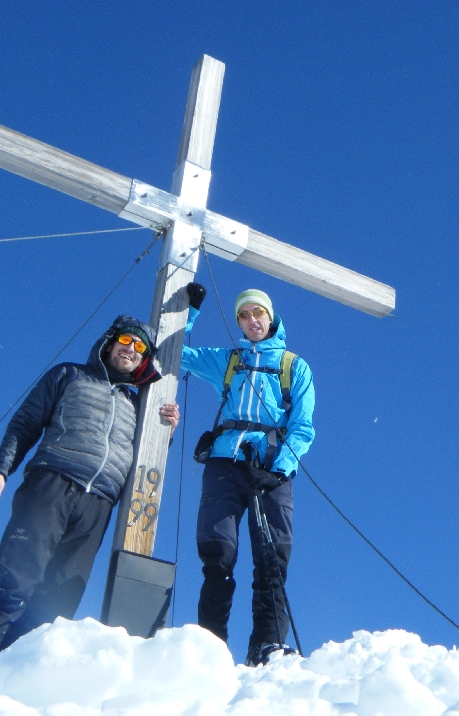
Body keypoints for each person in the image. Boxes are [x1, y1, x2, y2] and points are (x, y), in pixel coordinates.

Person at [0, 315, 179, 701]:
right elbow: (25, 423)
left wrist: (163, 431)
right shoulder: (69, 375)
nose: (130, 350)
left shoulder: (139, 404)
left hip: (99, 503)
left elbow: (141, 460)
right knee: (15, 584)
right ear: (109, 342)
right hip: (52, 483)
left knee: (57, 601)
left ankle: (6, 690)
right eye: (125, 340)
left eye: (140, 348)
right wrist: (0, 470)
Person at [181, 284, 315, 666]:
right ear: (239, 322)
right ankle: (210, 647)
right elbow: (177, 355)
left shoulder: (294, 366)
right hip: (225, 462)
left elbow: (302, 426)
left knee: (272, 555)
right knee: (217, 553)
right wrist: (189, 314)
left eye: (258, 312)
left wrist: (279, 468)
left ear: (270, 317)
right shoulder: (228, 361)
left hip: (271, 468)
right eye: (244, 314)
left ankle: (267, 645)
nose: (251, 319)